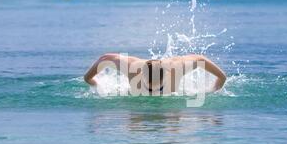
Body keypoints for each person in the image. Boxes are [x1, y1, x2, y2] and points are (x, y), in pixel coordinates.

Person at [84, 53, 226, 95]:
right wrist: (96, 84)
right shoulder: (132, 69)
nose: (153, 93)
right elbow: (104, 58)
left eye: (159, 88)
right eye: (149, 88)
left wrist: (211, 91)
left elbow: (222, 76)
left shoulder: (176, 69)